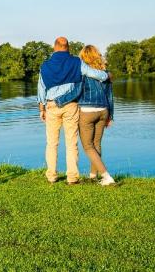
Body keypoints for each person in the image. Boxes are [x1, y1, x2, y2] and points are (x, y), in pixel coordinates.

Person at [37, 37, 109, 184]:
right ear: (68, 47)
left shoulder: (45, 66)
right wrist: (106, 75)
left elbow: (41, 88)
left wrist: (42, 108)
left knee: (52, 143)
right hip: (71, 106)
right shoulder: (76, 62)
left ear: (55, 47)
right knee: (71, 143)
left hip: (51, 106)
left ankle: (51, 176)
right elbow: (93, 74)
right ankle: (72, 178)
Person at [57, 45, 115, 186]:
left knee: (88, 146)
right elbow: (110, 96)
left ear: (83, 57)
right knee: (96, 144)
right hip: (103, 111)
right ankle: (93, 176)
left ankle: (107, 177)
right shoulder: (105, 73)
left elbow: (76, 92)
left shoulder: (82, 73)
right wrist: (110, 115)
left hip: (87, 112)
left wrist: (60, 101)